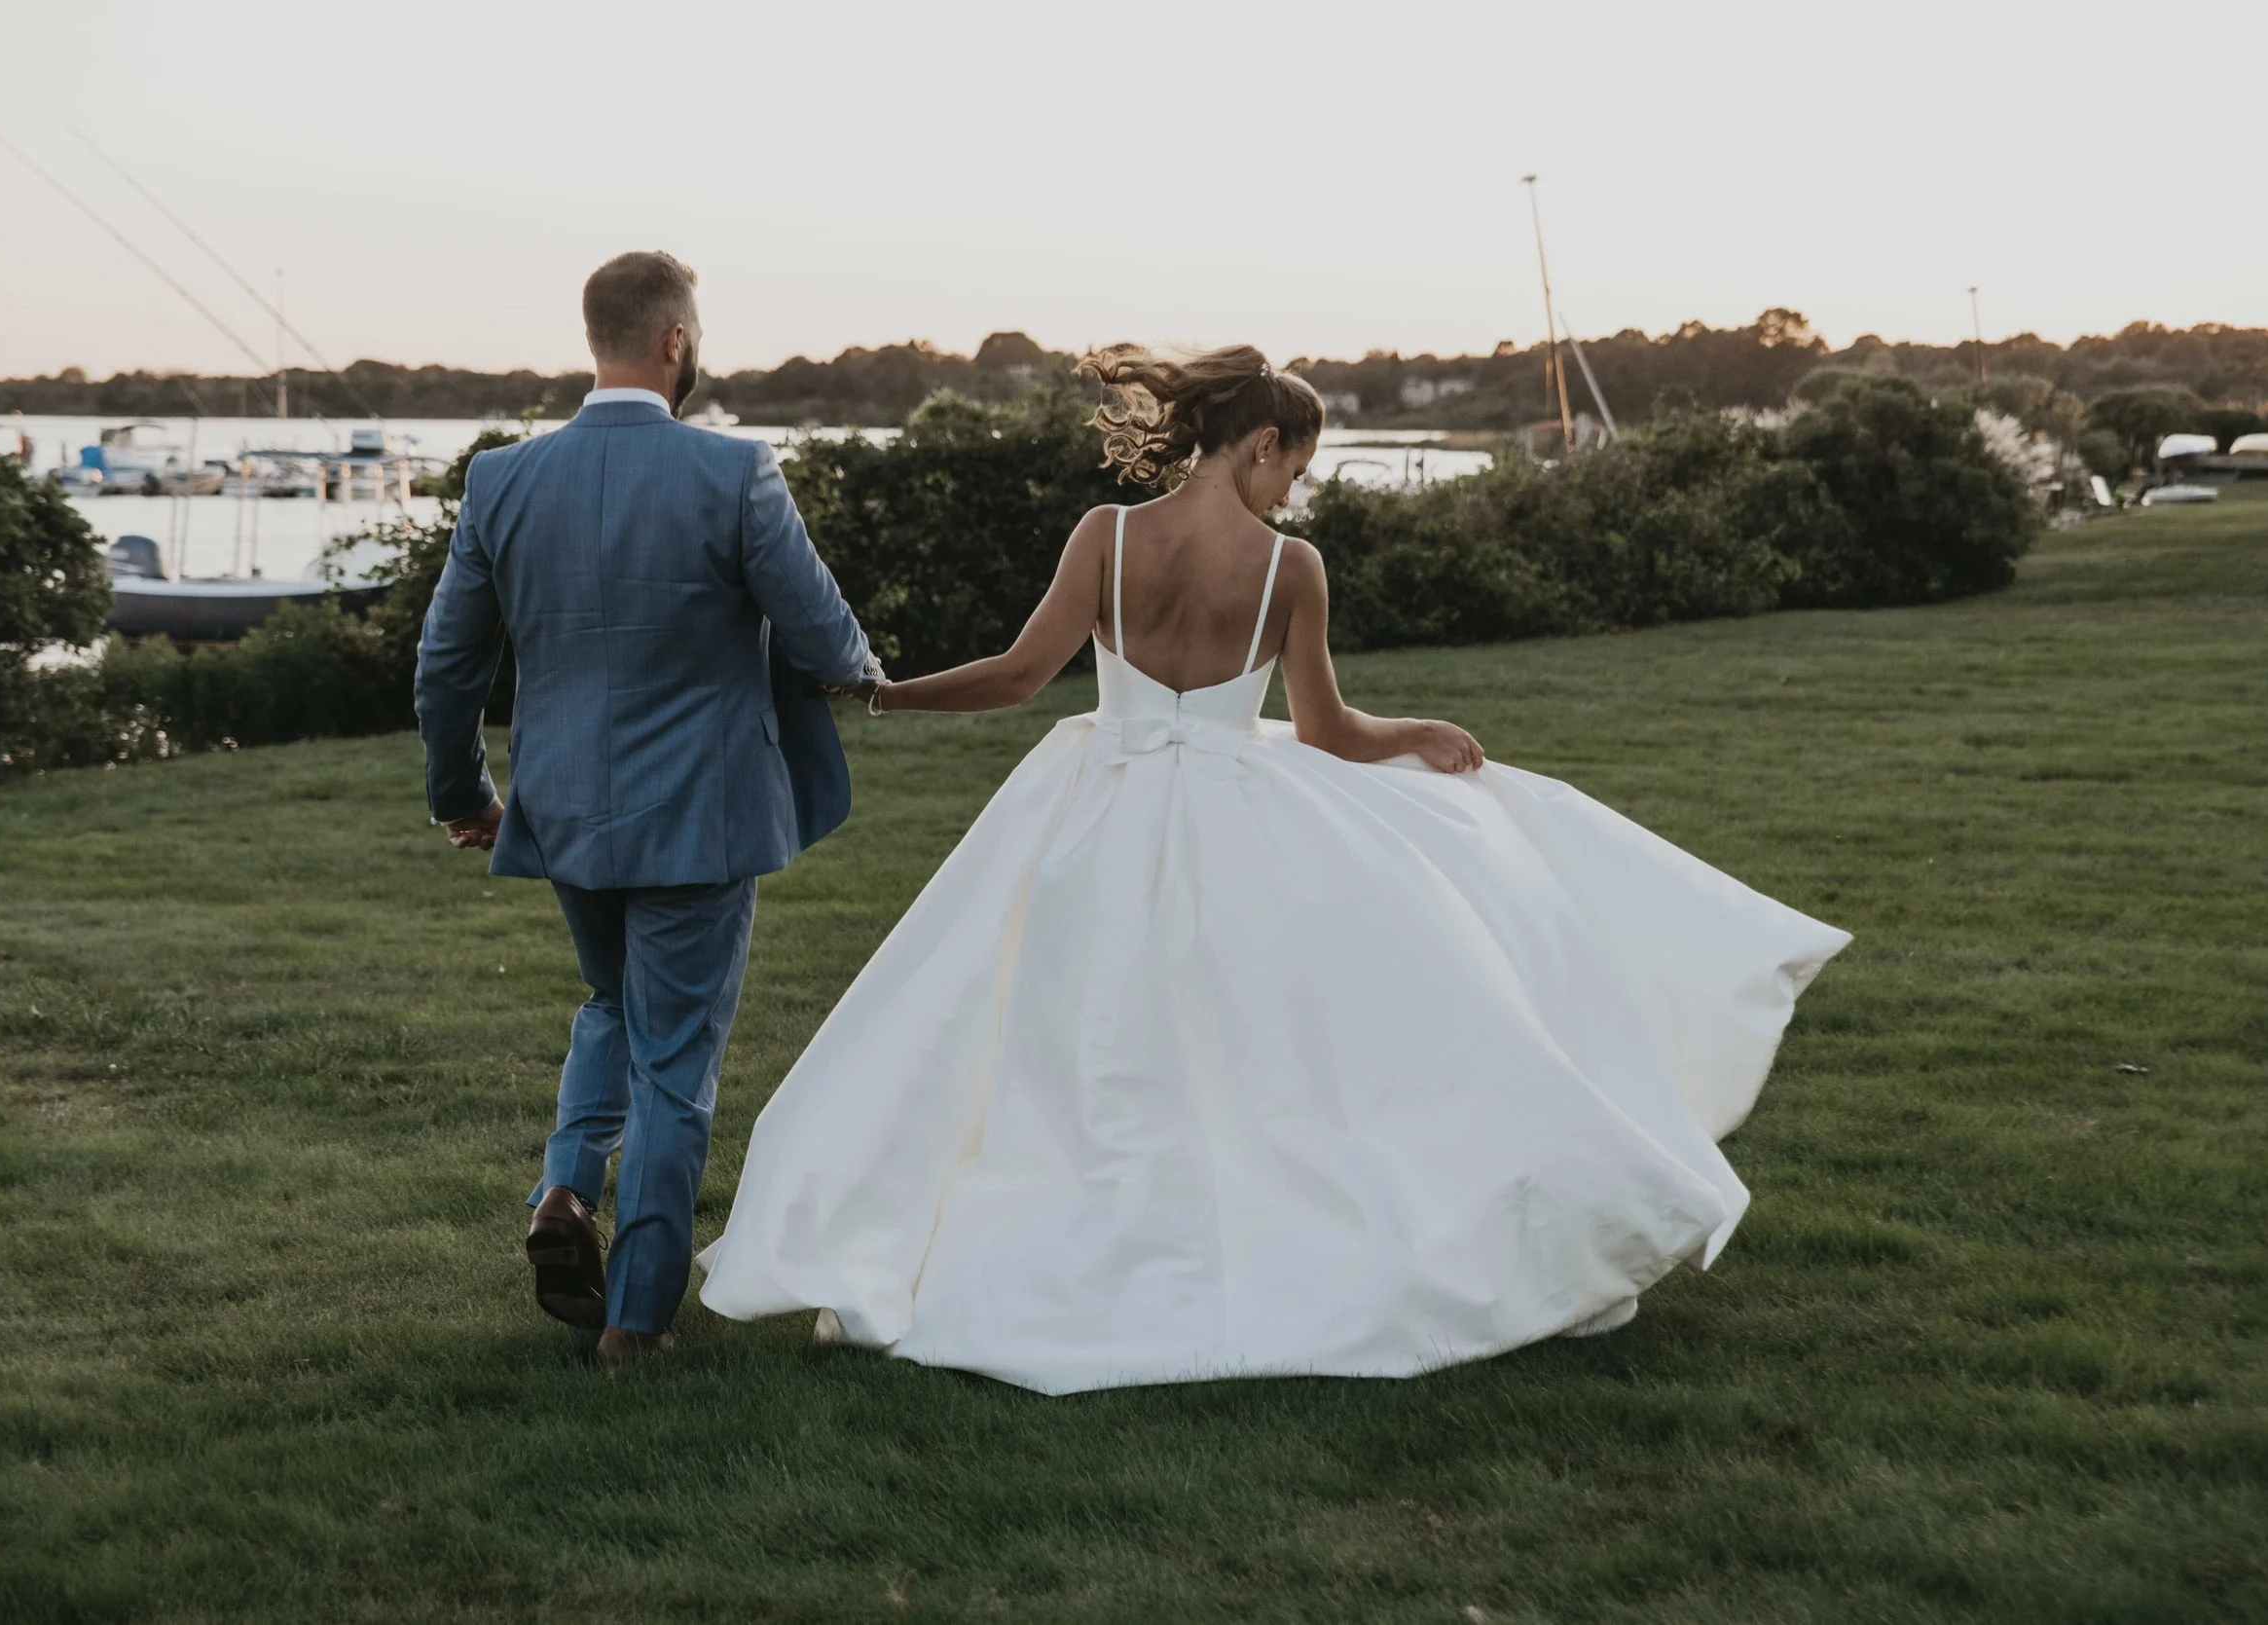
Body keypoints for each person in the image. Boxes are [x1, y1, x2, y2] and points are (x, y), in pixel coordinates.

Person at [698, 345, 1850, 1395]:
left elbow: (1012, 676)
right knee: (1247, 1039)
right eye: (1293, 465)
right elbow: (1331, 727)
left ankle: (1085, 1217)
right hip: (1234, 818)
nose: (1294, 491)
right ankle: (1243, 1219)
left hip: (1093, 816)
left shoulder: (1105, 536)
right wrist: (1412, 732)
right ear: (1260, 446)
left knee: (1076, 1035)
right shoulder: (1289, 567)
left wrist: (882, 691)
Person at [416, 251, 881, 1371]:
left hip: (567, 808)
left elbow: (445, 667)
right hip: (702, 816)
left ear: (596, 339)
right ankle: (635, 1318)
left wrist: (467, 795)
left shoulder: (500, 479)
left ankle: (565, 1191)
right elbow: (824, 641)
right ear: (675, 341)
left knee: (613, 1004)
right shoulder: (734, 472)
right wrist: (863, 670)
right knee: (677, 1057)